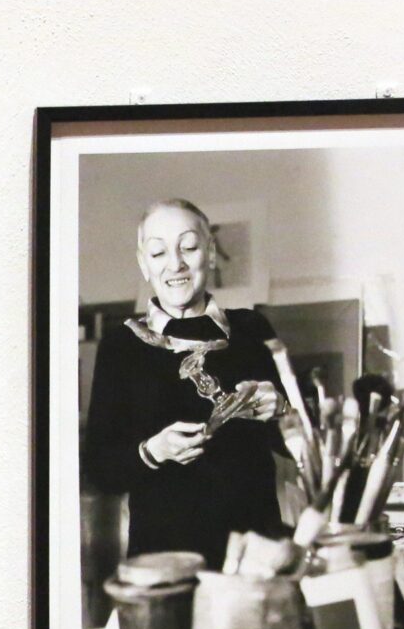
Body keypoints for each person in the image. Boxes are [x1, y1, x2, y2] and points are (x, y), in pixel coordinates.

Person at [80, 199, 290, 562]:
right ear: (144, 264)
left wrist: (282, 409)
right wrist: (153, 451)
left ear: (209, 253)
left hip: (255, 555)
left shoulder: (253, 329)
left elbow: (297, 446)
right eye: (159, 252)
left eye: (189, 247)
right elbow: (100, 469)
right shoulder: (121, 346)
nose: (175, 264)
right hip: (166, 560)